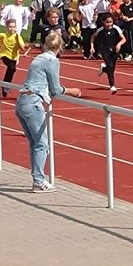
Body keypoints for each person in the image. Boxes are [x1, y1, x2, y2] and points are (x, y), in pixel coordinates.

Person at [15, 32, 81, 193]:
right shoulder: (52, 60)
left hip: (22, 101)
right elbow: (56, 89)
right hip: (33, 103)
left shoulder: (38, 58)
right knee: (42, 144)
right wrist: (73, 91)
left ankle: (37, 178)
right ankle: (38, 180)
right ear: (60, 46)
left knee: (35, 143)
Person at [0, 20, 29, 96]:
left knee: (12, 70)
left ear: (16, 27)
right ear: (7, 27)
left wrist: (17, 41)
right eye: (10, 27)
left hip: (14, 57)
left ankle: (5, 85)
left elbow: (22, 49)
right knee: (12, 68)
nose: (12, 29)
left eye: (13, 27)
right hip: (4, 55)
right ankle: (6, 85)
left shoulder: (18, 36)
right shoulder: (3, 35)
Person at [91, 14, 126, 94]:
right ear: (103, 22)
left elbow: (124, 39)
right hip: (104, 50)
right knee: (110, 66)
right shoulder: (100, 30)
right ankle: (112, 86)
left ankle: (103, 69)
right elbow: (93, 37)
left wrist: (119, 44)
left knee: (112, 69)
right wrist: (92, 47)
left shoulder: (116, 28)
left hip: (114, 50)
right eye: (107, 22)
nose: (109, 24)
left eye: (110, 22)